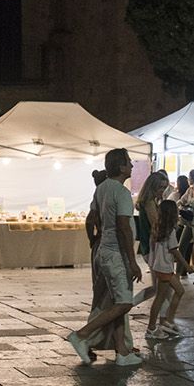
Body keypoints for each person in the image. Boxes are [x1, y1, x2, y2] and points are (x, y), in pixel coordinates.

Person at [66, 148, 151, 367]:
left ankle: (122, 352)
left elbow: (92, 217)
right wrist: (133, 262)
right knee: (123, 303)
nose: (132, 166)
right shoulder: (121, 193)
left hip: (104, 251)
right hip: (116, 254)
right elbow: (124, 228)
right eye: (129, 162)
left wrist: (94, 241)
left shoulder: (102, 188)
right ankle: (81, 335)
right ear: (121, 167)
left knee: (115, 301)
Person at [144, 192, 185, 340]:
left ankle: (168, 320)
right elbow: (174, 250)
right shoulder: (171, 232)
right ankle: (151, 328)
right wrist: (186, 265)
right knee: (160, 298)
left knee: (179, 291)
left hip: (161, 267)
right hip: (165, 269)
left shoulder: (158, 228)